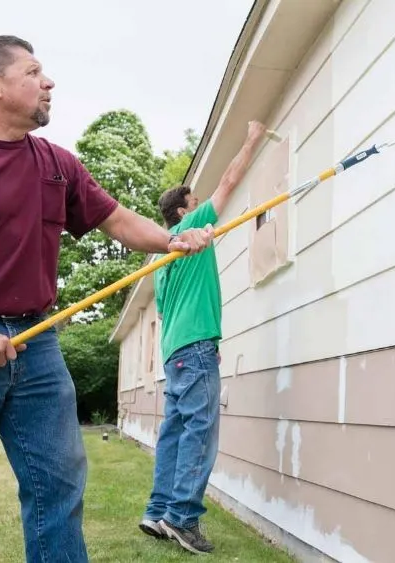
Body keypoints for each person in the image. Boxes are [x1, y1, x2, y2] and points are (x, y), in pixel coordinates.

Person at [0, 35, 214, 563]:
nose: (48, 82)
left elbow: (116, 220)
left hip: (37, 345)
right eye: (33, 72)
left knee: (60, 486)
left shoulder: (56, 163)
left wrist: (173, 239)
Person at [138, 120, 266, 554]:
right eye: (195, 202)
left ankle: (157, 512)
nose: (203, 206)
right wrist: (252, 138)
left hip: (174, 353)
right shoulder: (191, 225)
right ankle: (182, 518)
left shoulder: (162, 261)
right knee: (200, 431)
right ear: (182, 213)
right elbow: (229, 182)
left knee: (174, 432)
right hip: (195, 350)